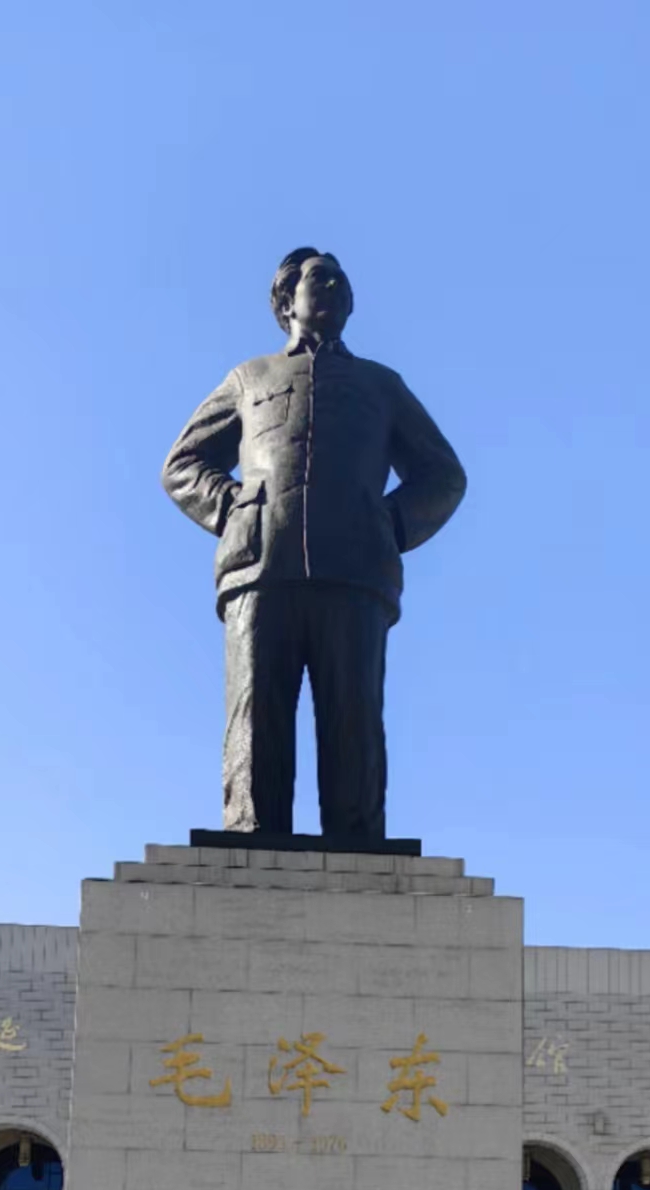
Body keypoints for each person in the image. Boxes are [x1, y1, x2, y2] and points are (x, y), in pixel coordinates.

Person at [162, 247, 466, 842]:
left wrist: (388, 524)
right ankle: (251, 832)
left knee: (354, 716)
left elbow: (443, 475)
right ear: (286, 301)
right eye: (318, 279)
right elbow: (182, 464)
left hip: (355, 570)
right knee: (255, 710)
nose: (332, 288)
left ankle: (356, 843)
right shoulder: (250, 379)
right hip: (260, 566)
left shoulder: (380, 385)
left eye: (341, 282)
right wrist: (235, 509)